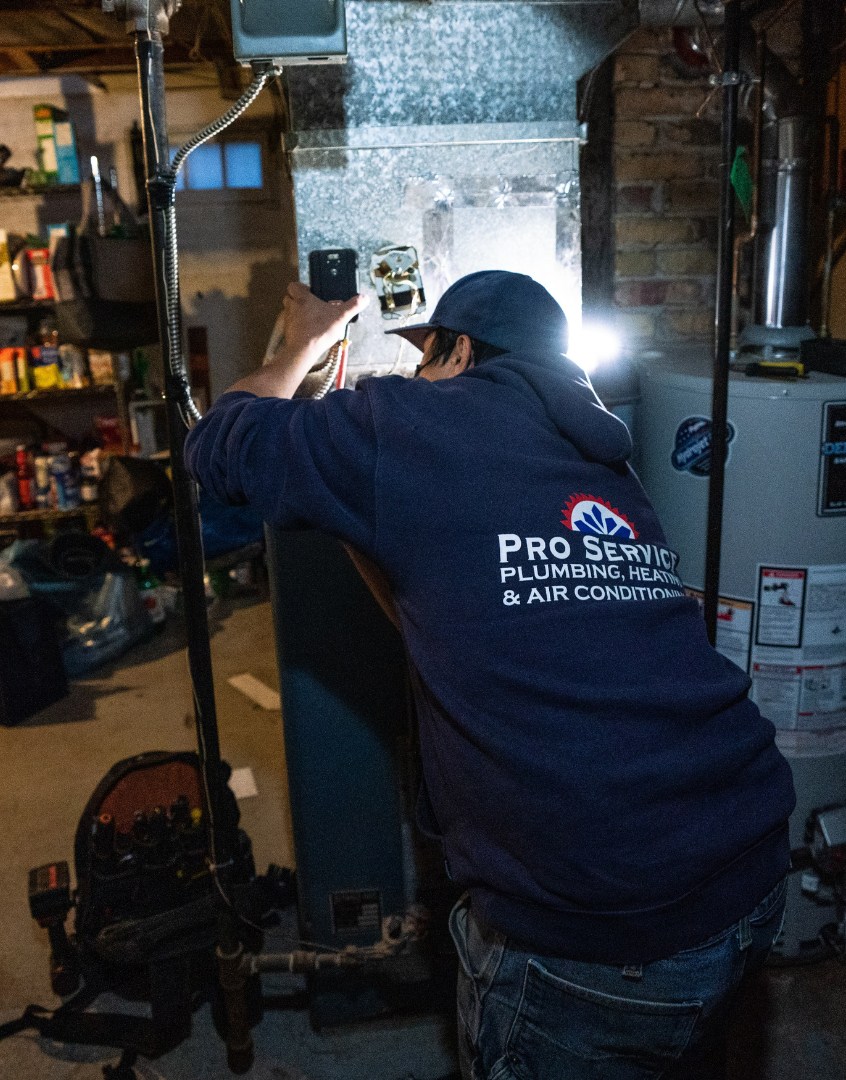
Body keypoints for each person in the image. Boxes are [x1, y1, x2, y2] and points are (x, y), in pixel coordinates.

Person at [185, 270, 796, 1078]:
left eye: (424, 359)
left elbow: (220, 443)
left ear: (461, 350)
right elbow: (452, 619)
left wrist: (302, 343)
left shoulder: (415, 422)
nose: (413, 378)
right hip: (750, 858)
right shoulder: (606, 463)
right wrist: (356, 510)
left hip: (599, 923)